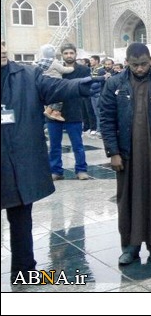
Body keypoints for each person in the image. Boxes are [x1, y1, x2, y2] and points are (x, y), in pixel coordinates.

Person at [1, 41, 95, 283]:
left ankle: (24, 271)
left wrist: (80, 85)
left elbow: (55, 87)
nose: (2, 49)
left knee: (21, 218)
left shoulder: (27, 75)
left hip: (19, 161)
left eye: (2, 44)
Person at [99, 42, 151, 265]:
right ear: (127, 62)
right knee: (127, 200)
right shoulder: (115, 84)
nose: (139, 69)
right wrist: (113, 152)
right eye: (134, 65)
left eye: (144, 64)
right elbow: (106, 120)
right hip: (126, 155)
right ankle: (129, 247)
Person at [47, 43, 92, 181]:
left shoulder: (83, 70)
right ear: (62, 55)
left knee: (77, 144)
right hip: (54, 112)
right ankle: (56, 171)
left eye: (71, 53)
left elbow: (86, 89)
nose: (69, 56)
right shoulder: (55, 68)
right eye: (66, 53)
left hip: (74, 110)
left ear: (75, 54)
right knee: (54, 145)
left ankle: (81, 170)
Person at [36, 44, 74, 122]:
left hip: (45, 84)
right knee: (59, 98)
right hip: (56, 83)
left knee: (51, 98)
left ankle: (49, 110)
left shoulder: (40, 63)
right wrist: (72, 68)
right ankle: (53, 112)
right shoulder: (53, 63)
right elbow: (63, 70)